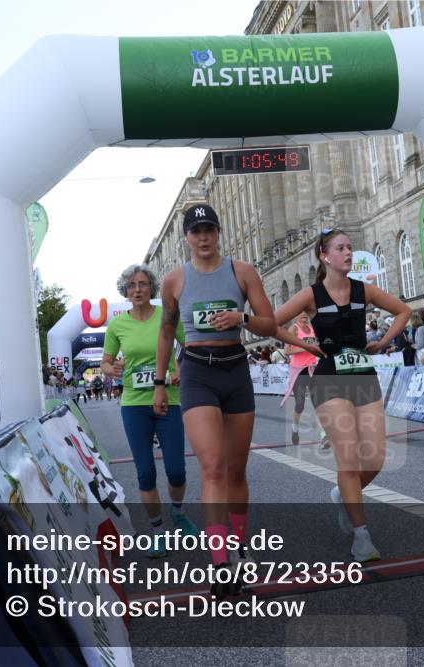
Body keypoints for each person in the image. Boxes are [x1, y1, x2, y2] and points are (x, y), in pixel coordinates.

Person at [154, 204, 279, 599]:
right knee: (212, 466)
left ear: (218, 232)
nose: (204, 237)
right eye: (196, 231)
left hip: (235, 369)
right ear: (187, 238)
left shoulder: (242, 272)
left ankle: (239, 546)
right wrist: (160, 383)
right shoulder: (175, 280)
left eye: (209, 229)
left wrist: (241, 319)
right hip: (197, 373)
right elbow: (165, 333)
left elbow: (270, 323)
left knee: (236, 470)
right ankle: (221, 563)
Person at [275, 229, 411, 562]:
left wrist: (384, 341)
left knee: (376, 459)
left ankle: (343, 494)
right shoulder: (311, 295)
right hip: (329, 379)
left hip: (363, 376)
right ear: (324, 256)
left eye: (350, 247)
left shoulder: (363, 290)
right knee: (347, 459)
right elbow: (270, 323)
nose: (348, 252)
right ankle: (361, 536)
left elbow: (403, 311)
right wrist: (304, 345)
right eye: (341, 248)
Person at [101, 263, 199, 558]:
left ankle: (178, 513)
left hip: (168, 399)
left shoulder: (167, 316)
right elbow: (106, 362)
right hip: (134, 404)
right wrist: (110, 369)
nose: (137, 290)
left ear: (152, 288)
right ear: (125, 291)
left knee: (176, 470)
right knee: (145, 472)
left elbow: (189, 347)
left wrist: (180, 369)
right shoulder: (117, 325)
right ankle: (157, 532)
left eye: (143, 284)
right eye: (131, 285)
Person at [282, 311, 319, 446]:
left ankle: (324, 435)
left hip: (312, 369)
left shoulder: (312, 328)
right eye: (300, 312)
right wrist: (306, 347)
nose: (304, 314)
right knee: (300, 405)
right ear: (295, 316)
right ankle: (295, 430)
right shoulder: (293, 329)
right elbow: (287, 351)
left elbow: (316, 346)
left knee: (319, 402)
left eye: (305, 312)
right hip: (299, 371)